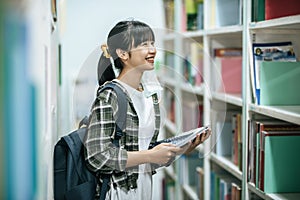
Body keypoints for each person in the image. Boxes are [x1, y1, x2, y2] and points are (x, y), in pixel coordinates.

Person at [84, 19, 211, 200]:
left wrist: (181, 149)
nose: (152, 50)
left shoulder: (149, 95)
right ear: (123, 54)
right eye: (144, 44)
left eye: (152, 43)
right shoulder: (111, 95)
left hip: (143, 190)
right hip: (119, 192)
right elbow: (96, 156)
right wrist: (150, 155)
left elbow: (145, 153)